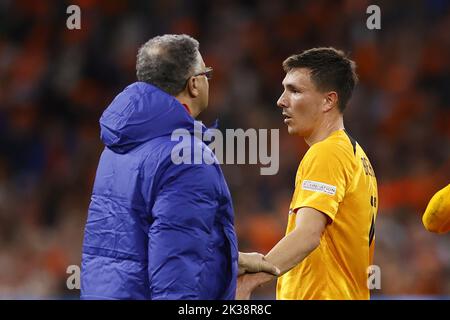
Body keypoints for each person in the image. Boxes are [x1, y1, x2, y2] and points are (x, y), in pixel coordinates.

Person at [81, 34, 278, 300]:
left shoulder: (117, 147)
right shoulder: (187, 158)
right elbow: (174, 269)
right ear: (194, 84)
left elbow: (133, 247)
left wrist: (229, 262)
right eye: (206, 73)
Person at [237, 47, 378, 300]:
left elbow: (308, 234)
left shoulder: (327, 153)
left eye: (295, 90)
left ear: (328, 100)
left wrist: (251, 280)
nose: (281, 100)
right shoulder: (357, 156)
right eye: (284, 89)